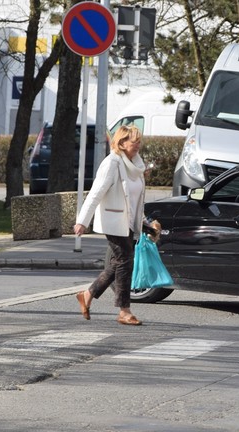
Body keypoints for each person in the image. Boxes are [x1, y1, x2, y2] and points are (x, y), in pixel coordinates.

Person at [73, 125, 149, 326]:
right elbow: (95, 193)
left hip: (130, 222)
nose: (138, 146)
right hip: (114, 222)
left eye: (139, 142)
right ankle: (124, 310)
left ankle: (88, 294)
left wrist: (144, 222)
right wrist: (82, 221)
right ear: (122, 143)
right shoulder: (112, 163)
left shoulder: (137, 165)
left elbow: (135, 198)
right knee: (125, 260)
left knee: (118, 262)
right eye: (134, 142)